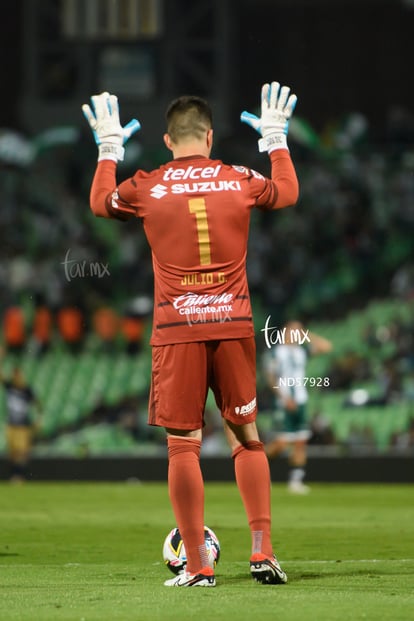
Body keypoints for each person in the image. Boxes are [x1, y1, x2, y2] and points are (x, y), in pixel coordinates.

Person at [82, 81, 299, 587]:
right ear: (210, 135)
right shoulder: (238, 178)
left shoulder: (147, 185)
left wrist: (108, 151)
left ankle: (199, 567)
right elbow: (287, 192)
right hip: (233, 323)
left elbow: (98, 204)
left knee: (184, 446)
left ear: (166, 139)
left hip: (178, 328)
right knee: (246, 438)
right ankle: (262, 553)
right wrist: (275, 141)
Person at [263, 320, 332, 494]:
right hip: (284, 401)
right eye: (294, 330)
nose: (297, 333)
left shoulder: (302, 352)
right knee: (281, 443)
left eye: (300, 330)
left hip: (301, 400)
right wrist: (284, 398)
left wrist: (307, 336)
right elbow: (270, 378)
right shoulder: (275, 352)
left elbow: (327, 346)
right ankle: (258, 472)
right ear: (285, 331)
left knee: (300, 441)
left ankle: (296, 481)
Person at [0, 348, 42, 482]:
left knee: (22, 452)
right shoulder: (10, 387)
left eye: (19, 375)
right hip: (11, 424)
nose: (17, 377)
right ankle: (15, 475)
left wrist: (38, 420)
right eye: (15, 375)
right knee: (12, 453)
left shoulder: (27, 390)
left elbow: (38, 405)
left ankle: (20, 475)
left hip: (23, 425)